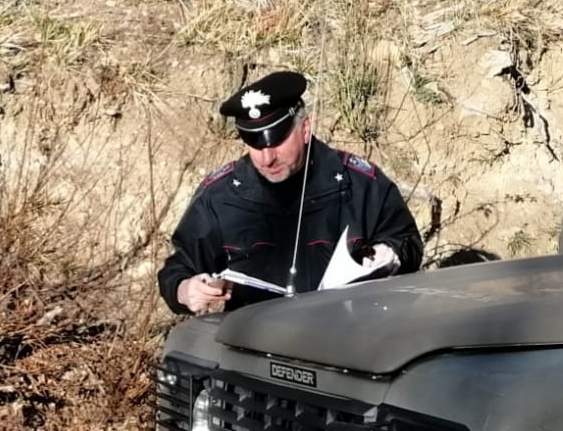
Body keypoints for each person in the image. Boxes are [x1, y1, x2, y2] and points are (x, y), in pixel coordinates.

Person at [158, 70, 424, 315]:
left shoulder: (360, 185)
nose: (266, 158)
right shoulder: (220, 197)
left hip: (345, 342)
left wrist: (388, 254)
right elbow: (178, 269)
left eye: (276, 141)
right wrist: (186, 290)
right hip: (256, 348)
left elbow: (407, 242)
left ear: (305, 129)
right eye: (254, 144)